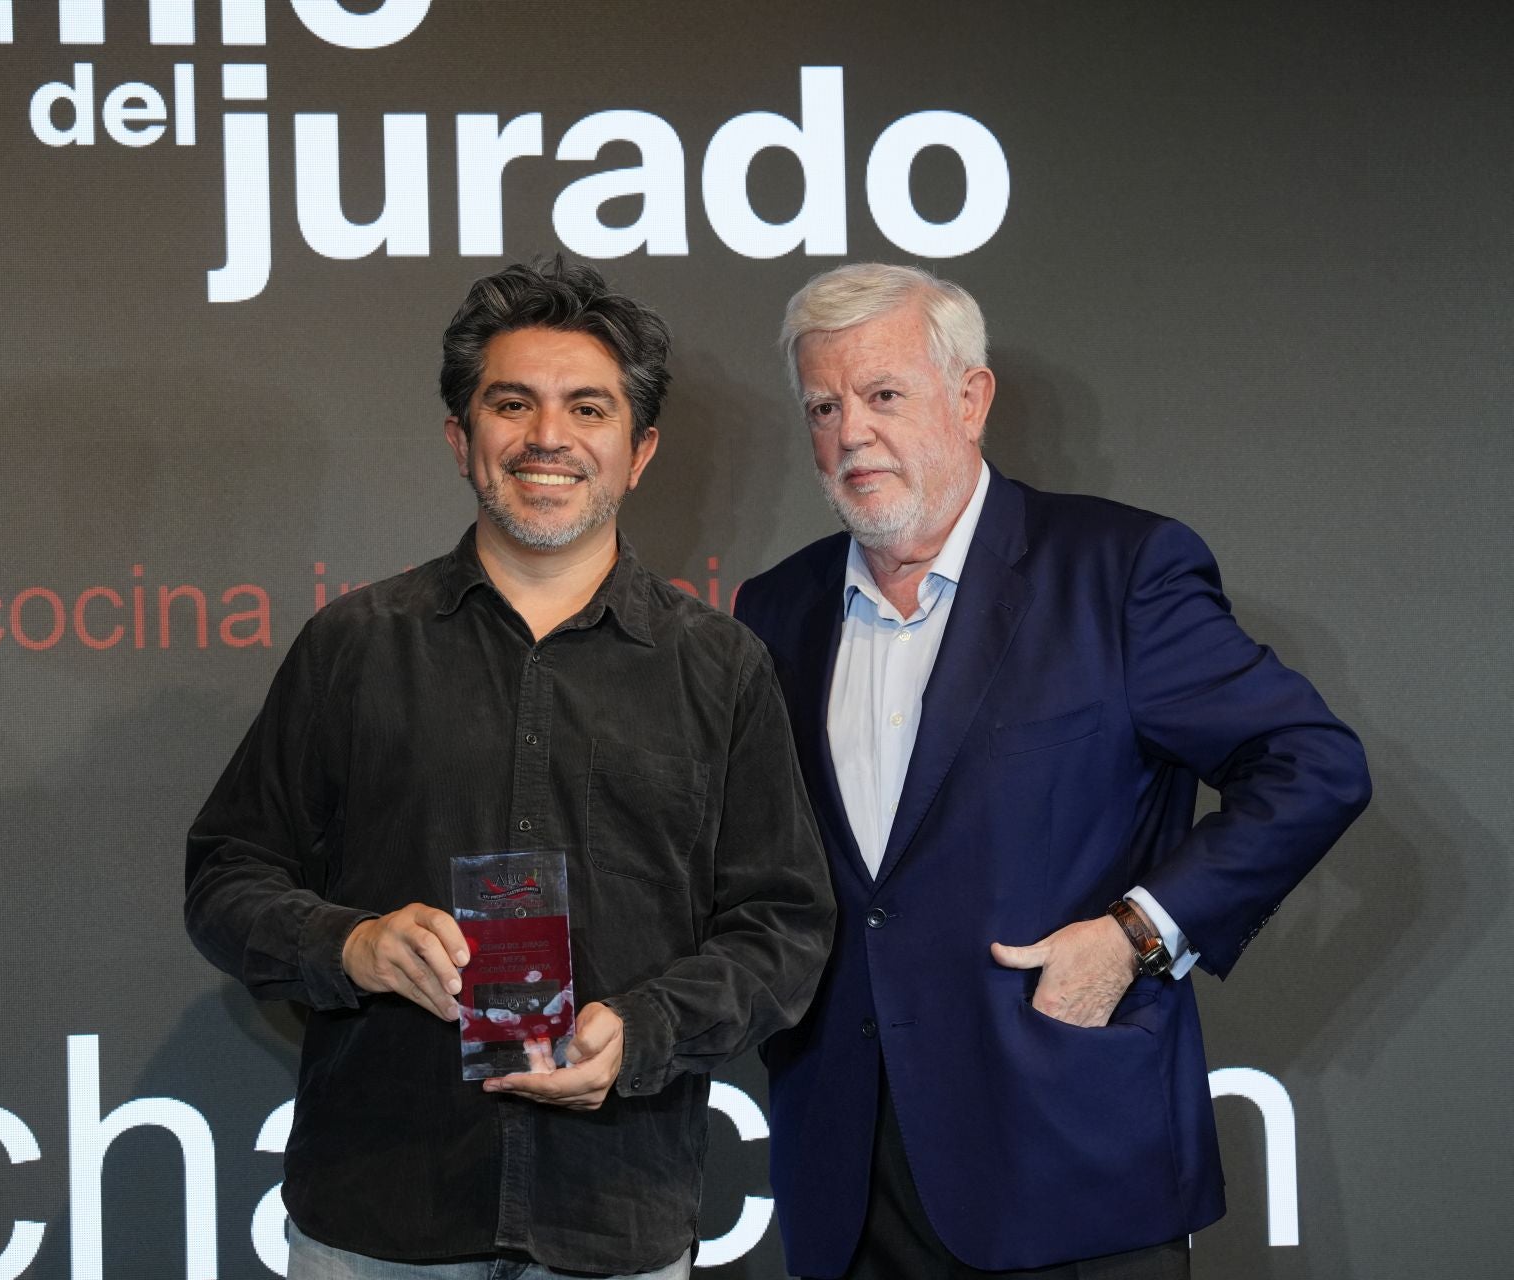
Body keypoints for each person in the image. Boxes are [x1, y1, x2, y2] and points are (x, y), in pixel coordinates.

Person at [186, 258, 834, 1280]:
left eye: (589, 407)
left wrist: (647, 1029)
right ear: (461, 438)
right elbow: (226, 877)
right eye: (511, 403)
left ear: (640, 450)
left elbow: (785, 927)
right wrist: (352, 942)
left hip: (615, 1215)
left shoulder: (721, 666)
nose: (548, 437)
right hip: (379, 1217)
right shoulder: (353, 645)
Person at [733, 263, 1371, 1279]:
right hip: (851, 1175)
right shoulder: (776, 608)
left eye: (884, 394)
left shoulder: (1115, 570)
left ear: (972, 397)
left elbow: (1311, 765)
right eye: (824, 404)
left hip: (1068, 1161)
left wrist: (1136, 933)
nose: (851, 431)